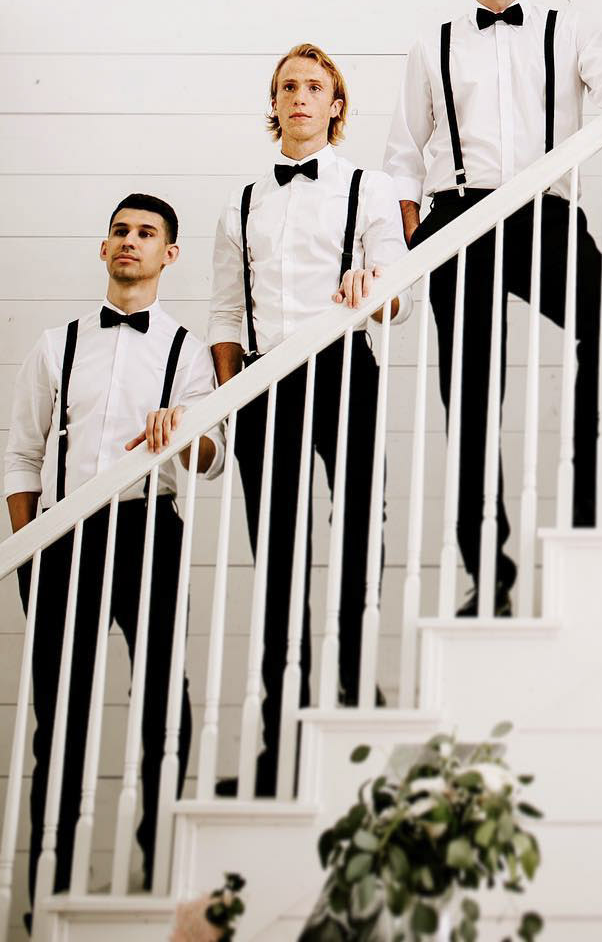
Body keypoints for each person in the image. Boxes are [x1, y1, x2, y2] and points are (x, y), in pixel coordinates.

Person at [384, 0, 602, 616]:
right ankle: (488, 574)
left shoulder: (570, 30)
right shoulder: (431, 43)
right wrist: (412, 245)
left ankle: (593, 499)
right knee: (470, 400)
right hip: (457, 220)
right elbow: (404, 155)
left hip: (543, 209)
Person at [5, 196, 221, 911]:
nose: (131, 241)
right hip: (60, 541)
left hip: (148, 529)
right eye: (121, 232)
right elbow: (21, 458)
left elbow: (212, 460)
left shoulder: (188, 350)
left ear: (170, 255)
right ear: (104, 249)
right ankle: (48, 885)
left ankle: (157, 862)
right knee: (58, 716)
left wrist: (184, 429)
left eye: (147, 233)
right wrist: (28, 549)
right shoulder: (56, 342)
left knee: (165, 700)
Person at [208, 44, 409, 796]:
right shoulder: (242, 204)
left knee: (361, 535)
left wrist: (375, 282)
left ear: (335, 106)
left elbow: (398, 288)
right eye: (287, 86)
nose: (299, 96)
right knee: (279, 564)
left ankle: (354, 700)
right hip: (264, 385)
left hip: (344, 367)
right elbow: (226, 312)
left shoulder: (371, 187)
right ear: (274, 104)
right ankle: (278, 735)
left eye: (314, 87)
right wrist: (233, 401)